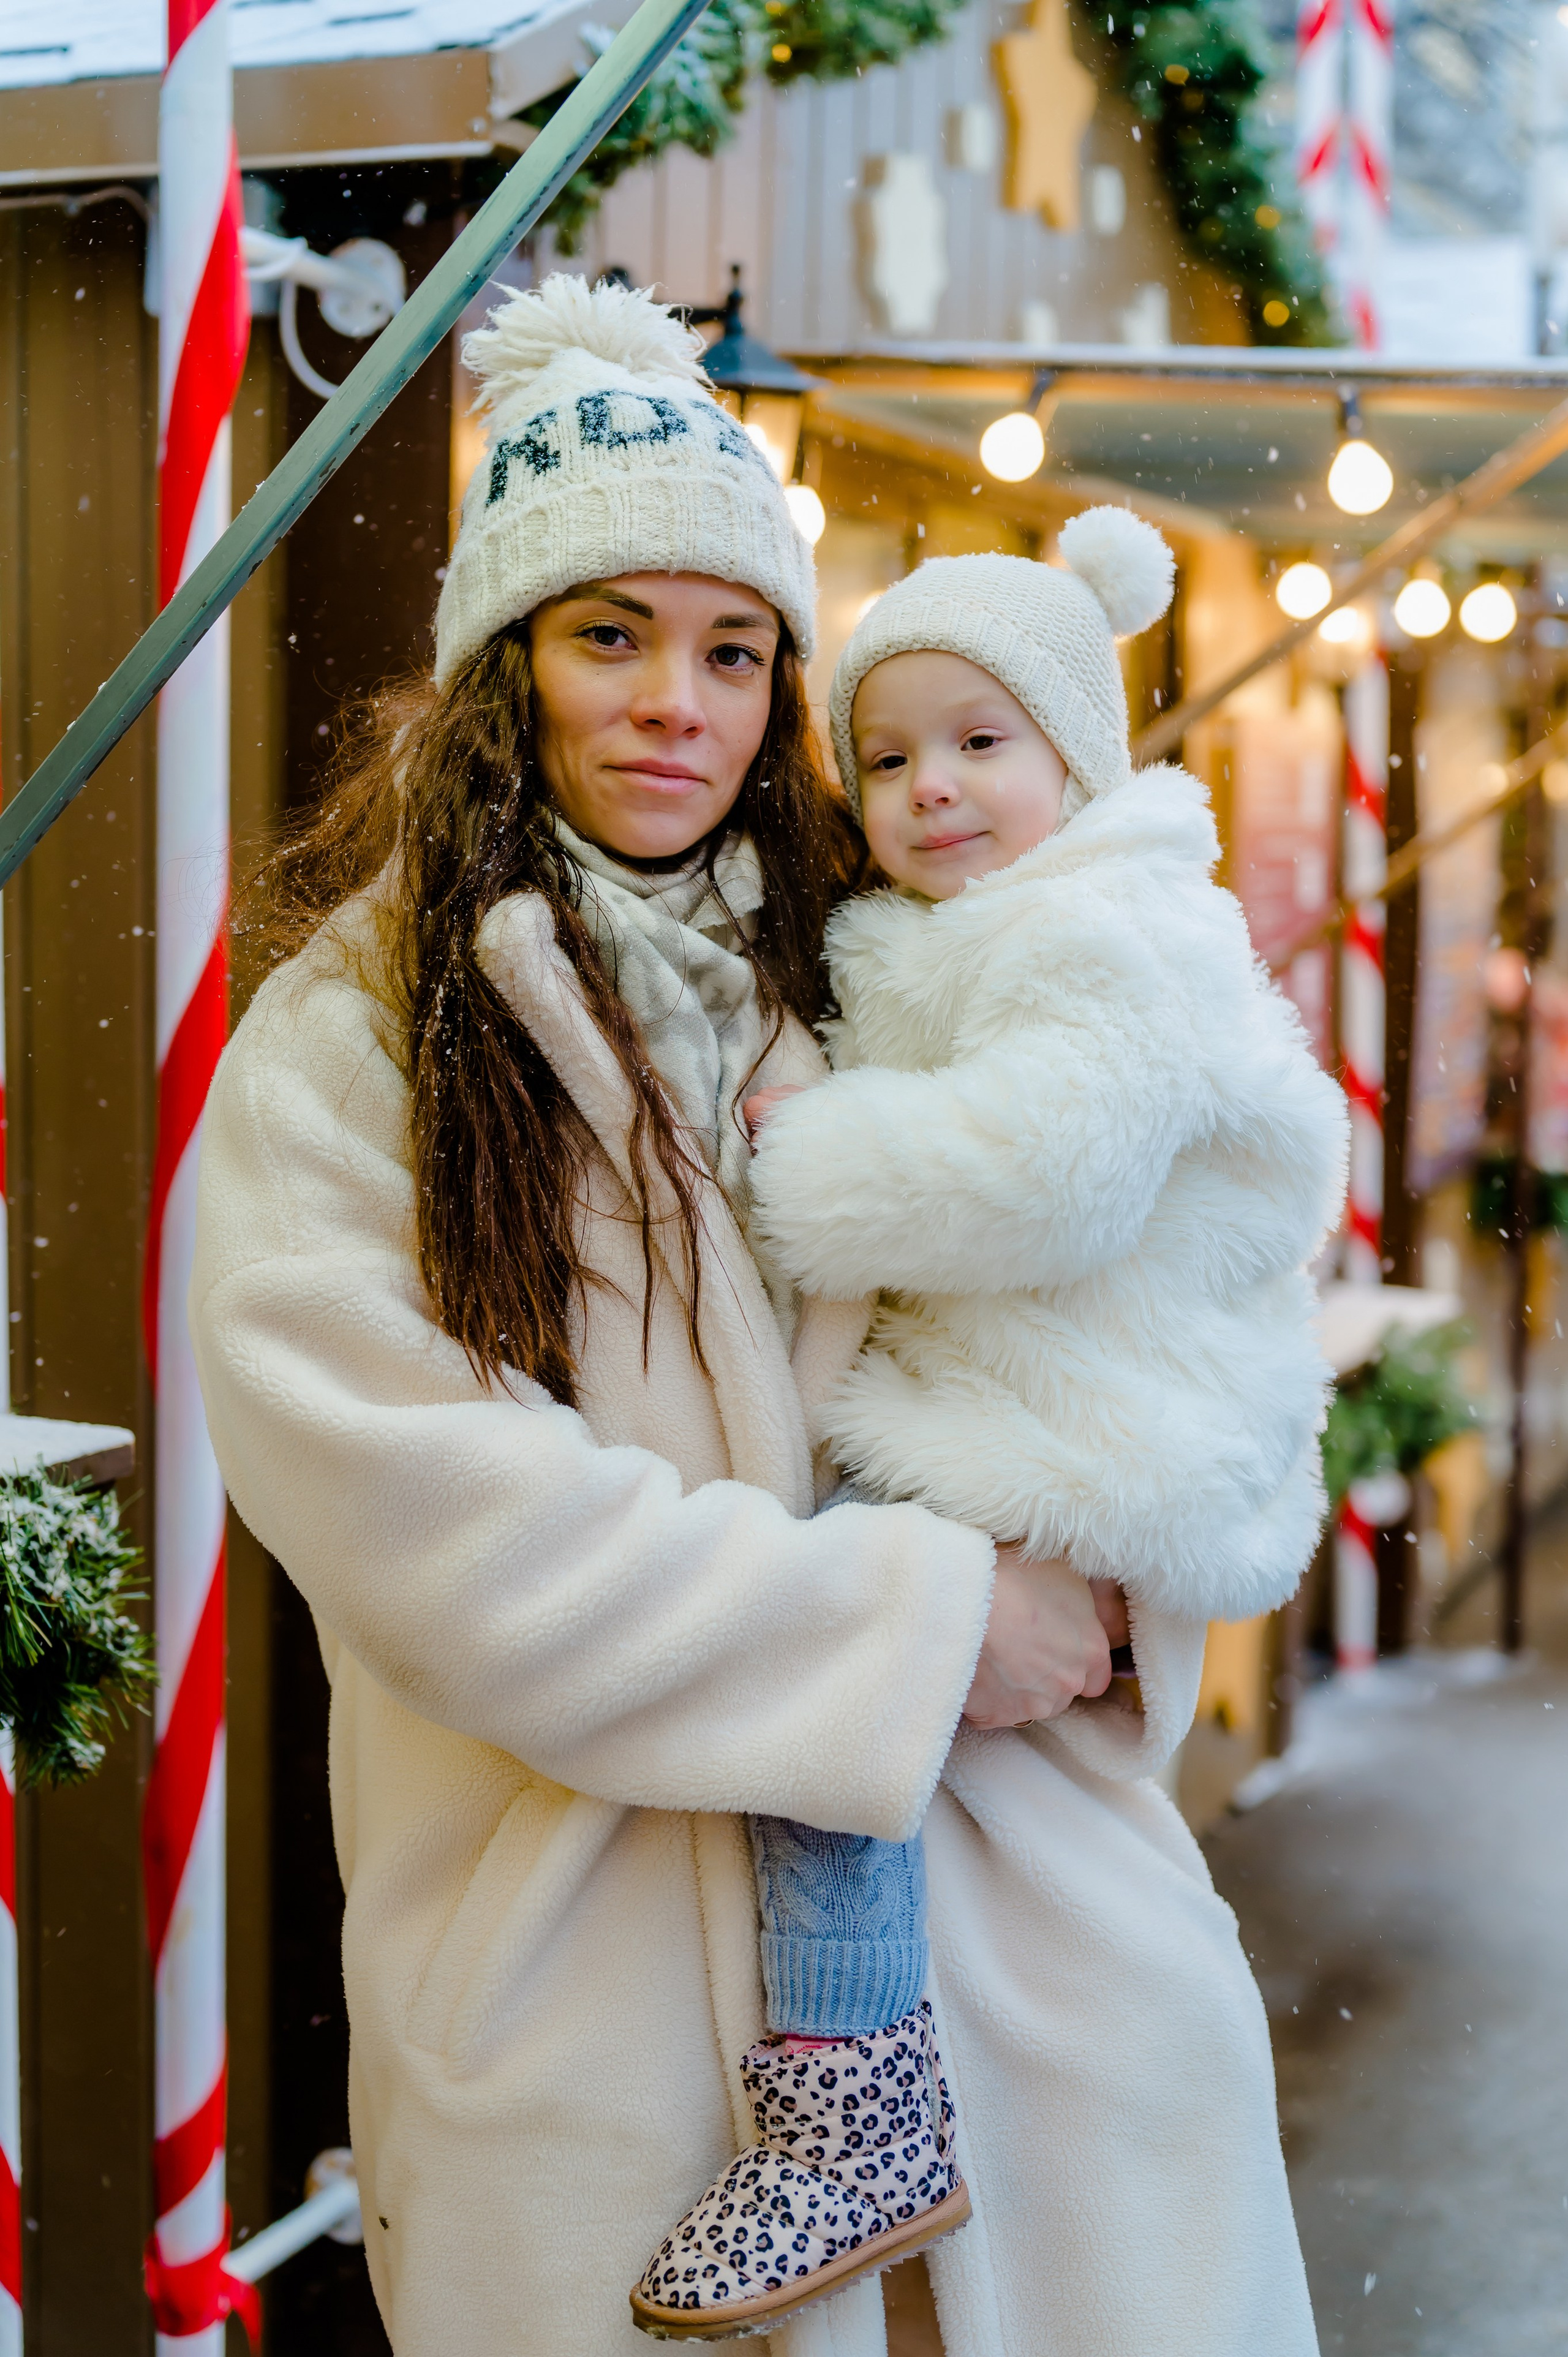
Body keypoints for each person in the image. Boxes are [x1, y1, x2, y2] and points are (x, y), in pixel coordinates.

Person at [190, 276, 1322, 2357]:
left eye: (734, 652)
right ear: (498, 668)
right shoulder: (350, 1053)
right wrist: (915, 1626)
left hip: (1049, 1991)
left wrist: (1103, 1575)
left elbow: (1186, 1308)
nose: (674, 705)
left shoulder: (891, 976)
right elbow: (439, 1529)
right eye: (607, 635)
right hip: (602, 2042)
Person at [631, 512, 1349, 2336]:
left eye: (979, 745)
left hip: (1094, 1420)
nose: (927, 792)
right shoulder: (971, 930)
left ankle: (852, 2089)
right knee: (843, 1634)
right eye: (884, 756)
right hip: (1057, 1400)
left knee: (837, 1659)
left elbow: (1050, 1171)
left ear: (1076, 761)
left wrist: (808, 1164)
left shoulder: (1105, 929)